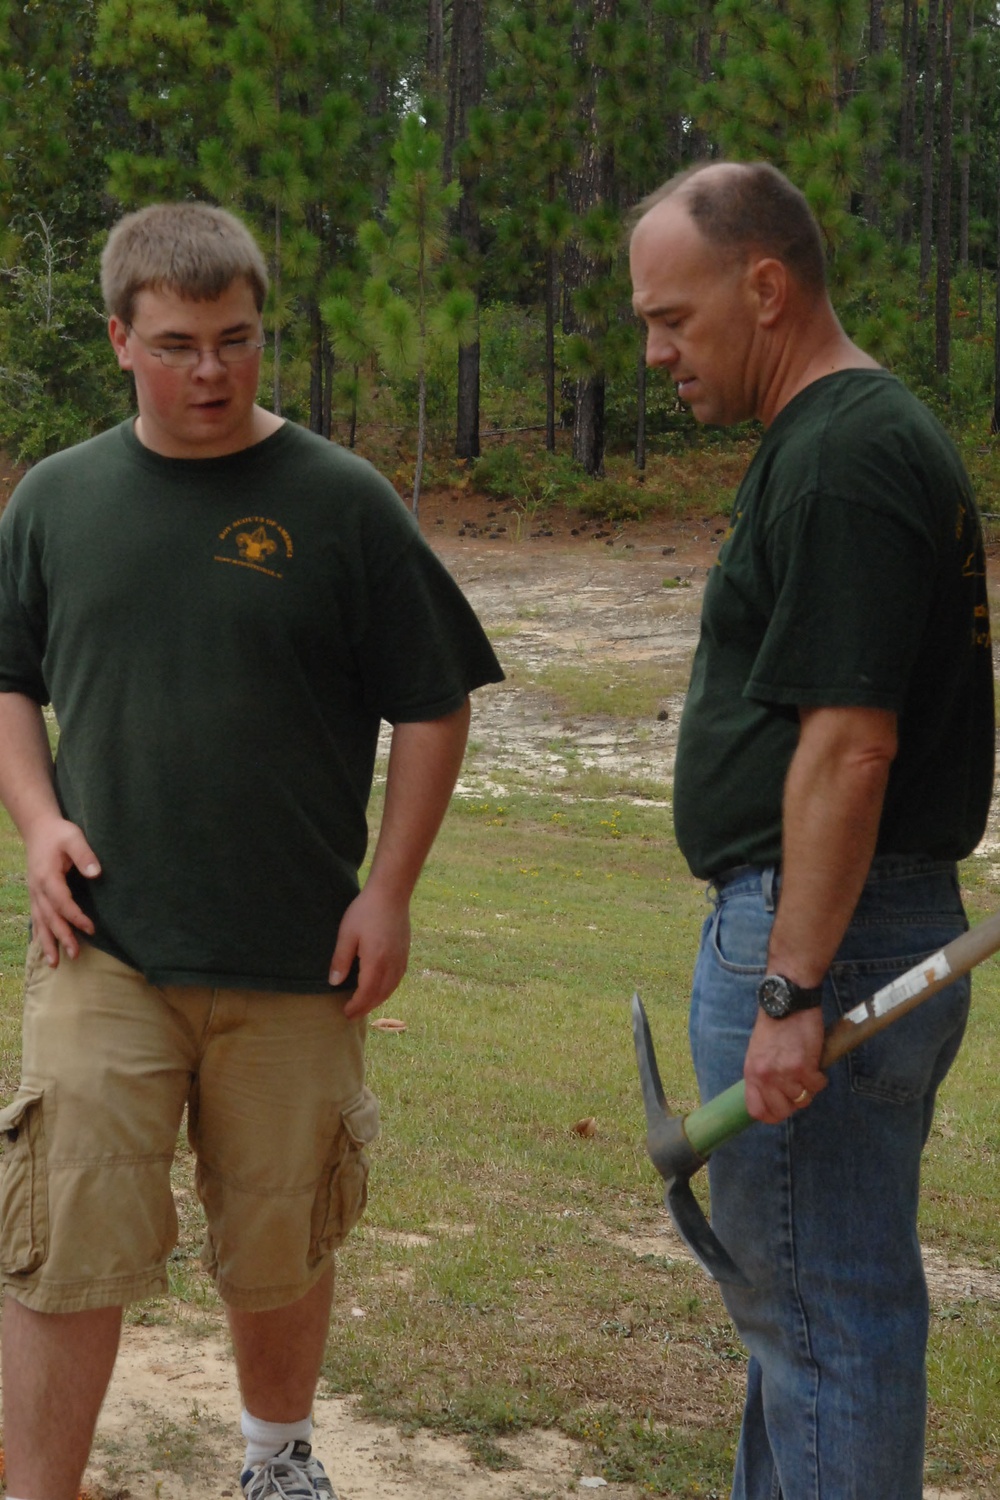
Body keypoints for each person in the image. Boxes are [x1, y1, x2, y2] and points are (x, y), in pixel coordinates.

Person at [0, 201, 503, 1500]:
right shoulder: (57, 500)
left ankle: (278, 1464)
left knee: (281, 1241)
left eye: (236, 340)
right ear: (119, 337)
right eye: (177, 344)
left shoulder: (340, 504)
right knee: (64, 1239)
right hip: (101, 949)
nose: (212, 372)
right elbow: (7, 680)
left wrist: (388, 892)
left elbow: (435, 702)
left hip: (294, 961)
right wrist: (40, 818)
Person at [629, 162, 994, 1499]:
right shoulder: (839, 442)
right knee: (801, 1329)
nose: (659, 350)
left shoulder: (846, 455)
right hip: (842, 927)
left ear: (764, 286)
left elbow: (850, 747)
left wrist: (788, 988)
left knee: (829, 1324)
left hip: (827, 943)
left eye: (671, 317)